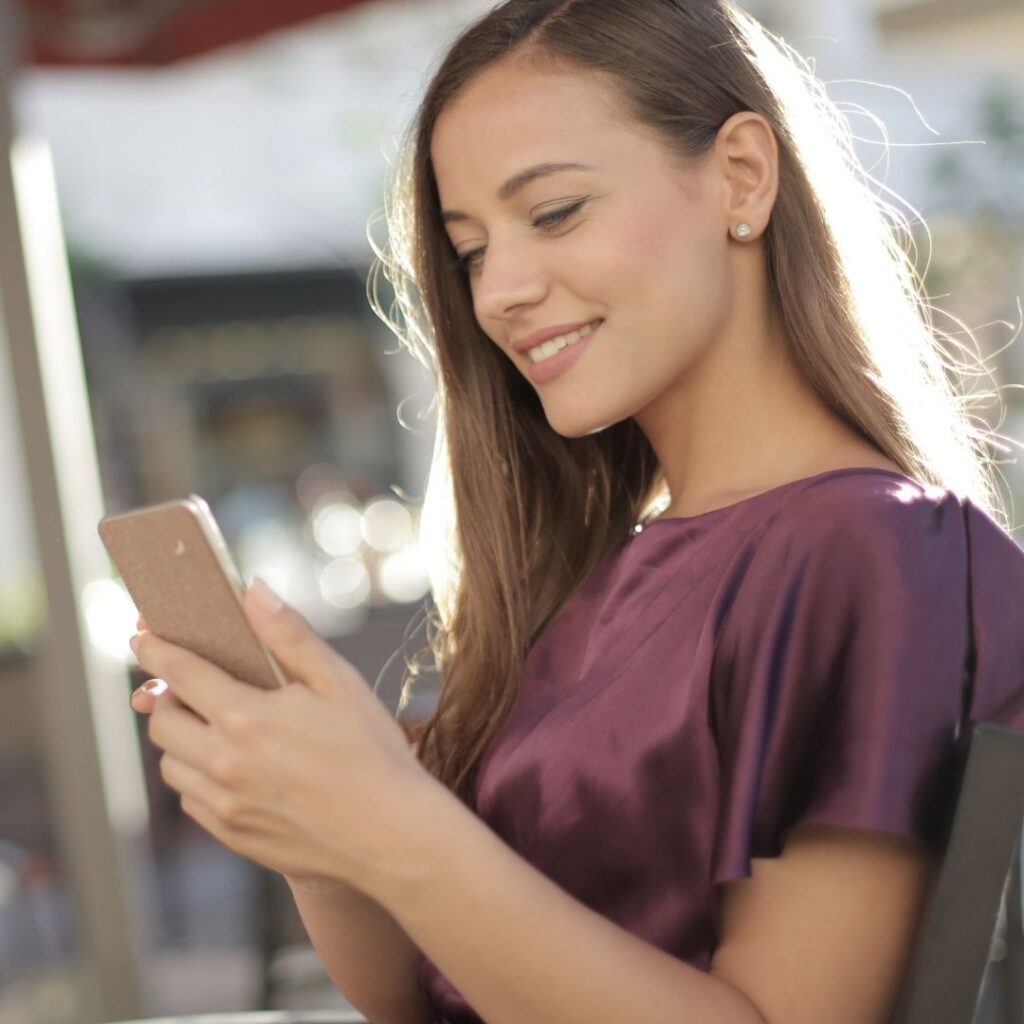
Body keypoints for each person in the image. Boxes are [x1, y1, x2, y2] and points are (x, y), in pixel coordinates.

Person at [129, 2, 1024, 1022]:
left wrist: (390, 819)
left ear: (740, 175)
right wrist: (317, 833)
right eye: (468, 250)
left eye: (553, 212)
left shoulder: (873, 549)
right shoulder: (600, 577)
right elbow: (425, 996)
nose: (498, 290)